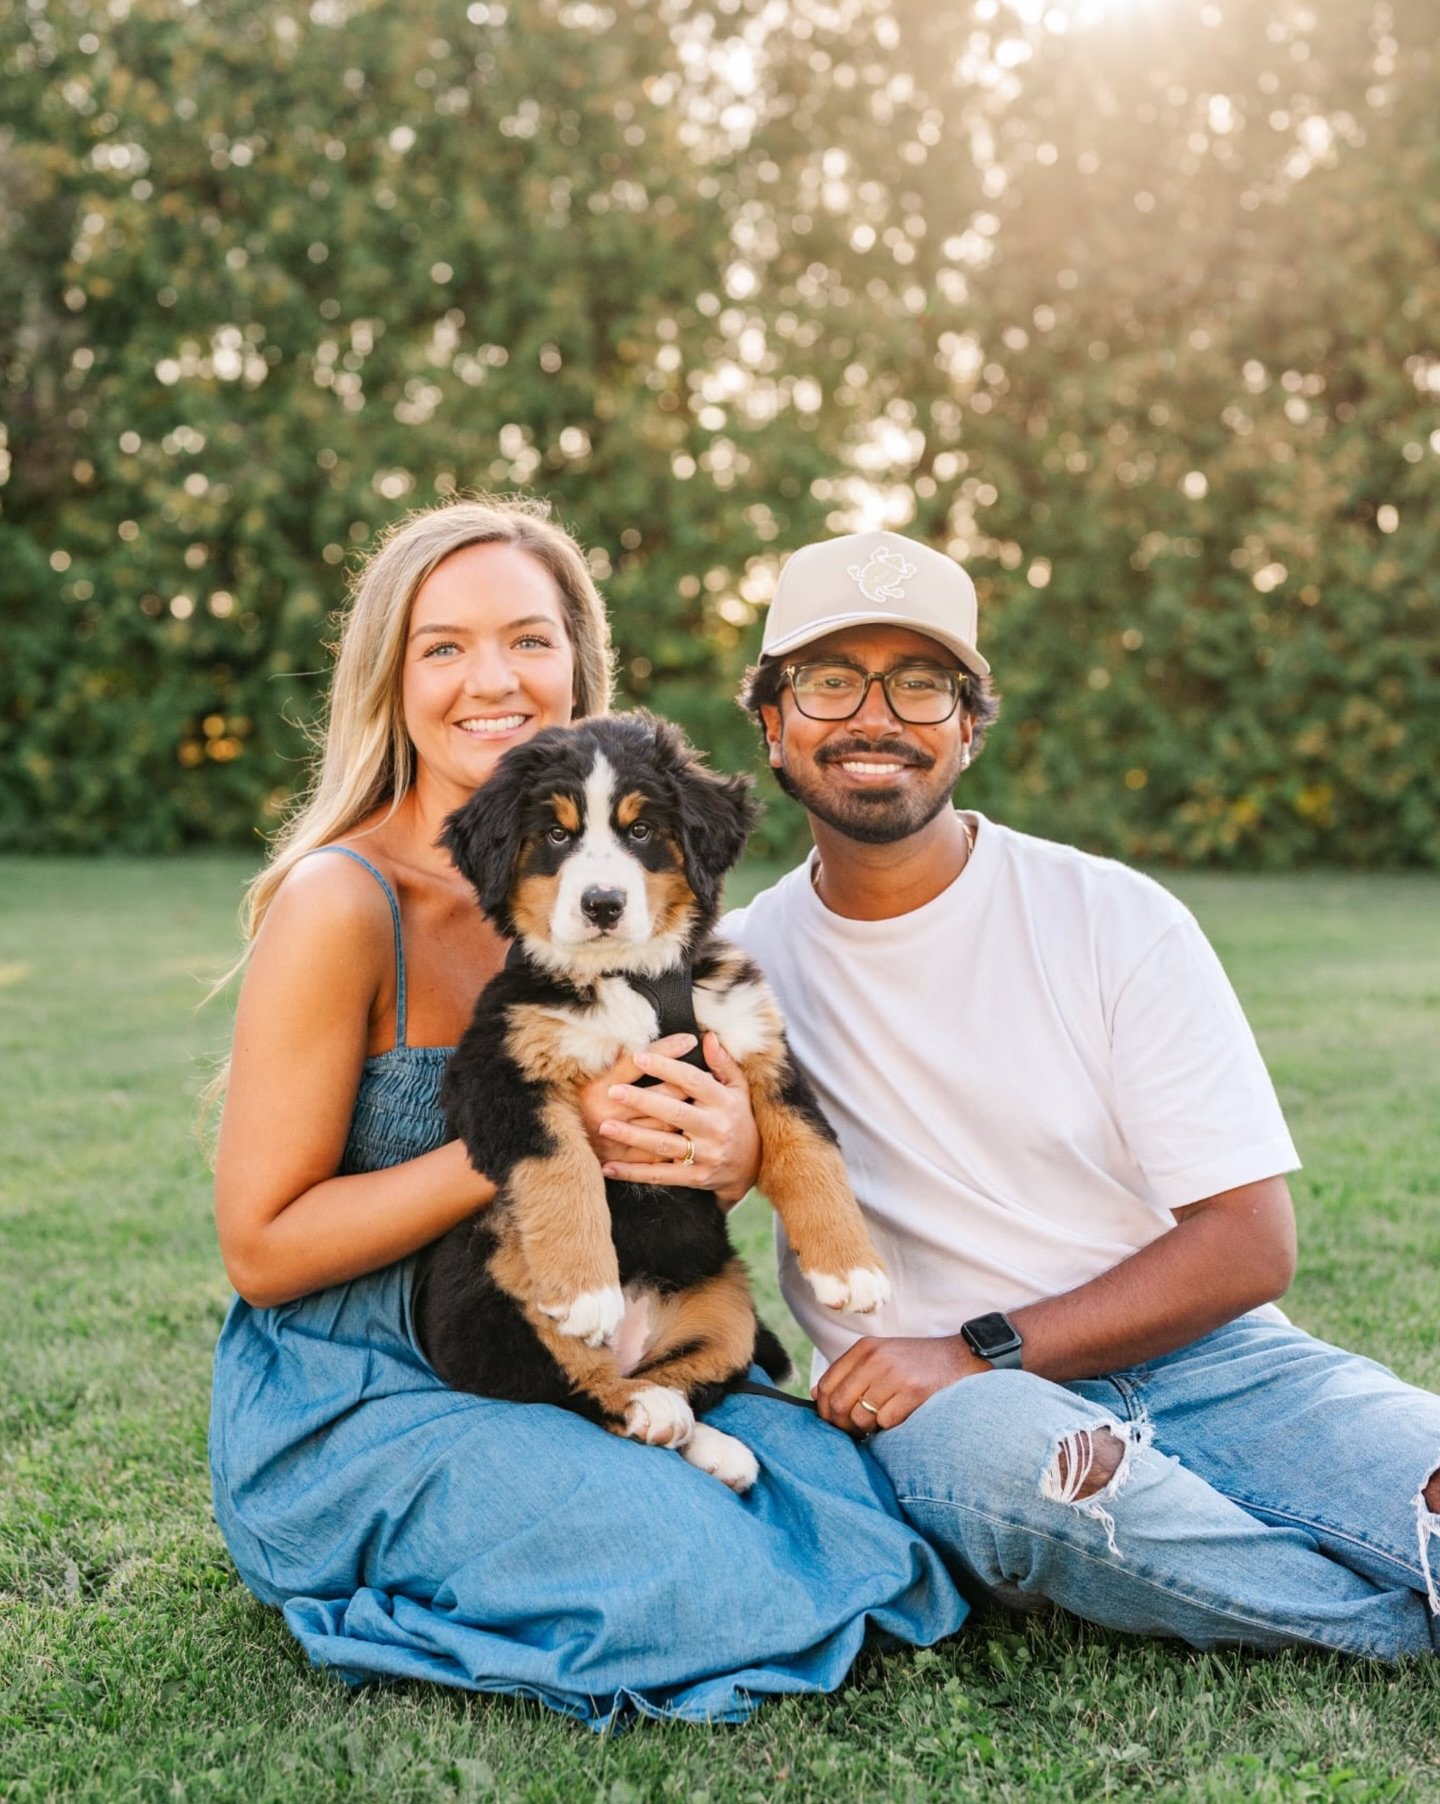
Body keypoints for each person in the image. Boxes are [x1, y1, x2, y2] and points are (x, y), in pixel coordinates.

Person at [207, 499, 966, 1729]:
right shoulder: (342, 902)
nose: (491, 678)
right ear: (390, 680)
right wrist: (529, 1141)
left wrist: (719, 1155)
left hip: (609, 1343)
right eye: (442, 647)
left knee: (866, 1505)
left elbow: (672, 1161)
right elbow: (263, 1247)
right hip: (366, 1391)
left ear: (577, 659)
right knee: (700, 1567)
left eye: (527, 639)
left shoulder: (631, 900)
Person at [690, 525, 1439, 1657]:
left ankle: (1295, 1562)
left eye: (922, 683)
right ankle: (1381, 1627)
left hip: (1214, 1360)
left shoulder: (1113, 916)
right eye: (831, 680)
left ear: (970, 728)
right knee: (1027, 1477)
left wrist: (978, 1342)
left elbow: (1249, 1244)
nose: (874, 717)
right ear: (773, 722)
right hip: (962, 1417)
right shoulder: (736, 973)